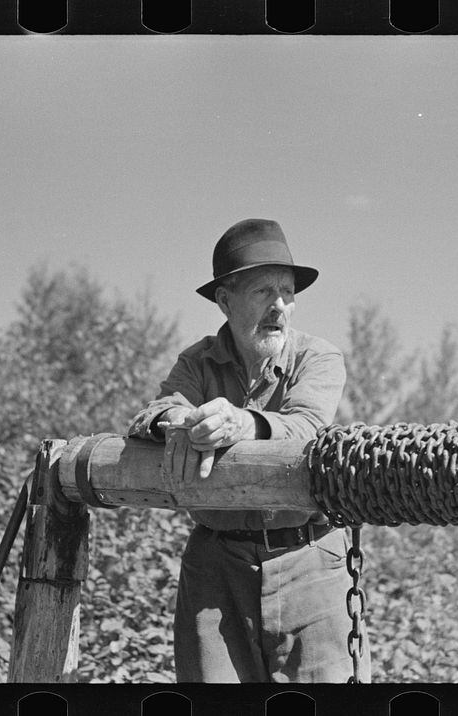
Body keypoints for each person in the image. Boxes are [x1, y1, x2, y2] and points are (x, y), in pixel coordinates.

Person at [128, 218, 371, 683]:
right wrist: (178, 422)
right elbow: (154, 412)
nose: (279, 305)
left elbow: (306, 426)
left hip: (311, 563)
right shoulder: (197, 361)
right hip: (216, 569)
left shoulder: (318, 358)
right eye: (263, 292)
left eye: (287, 292)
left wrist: (241, 423)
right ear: (225, 300)